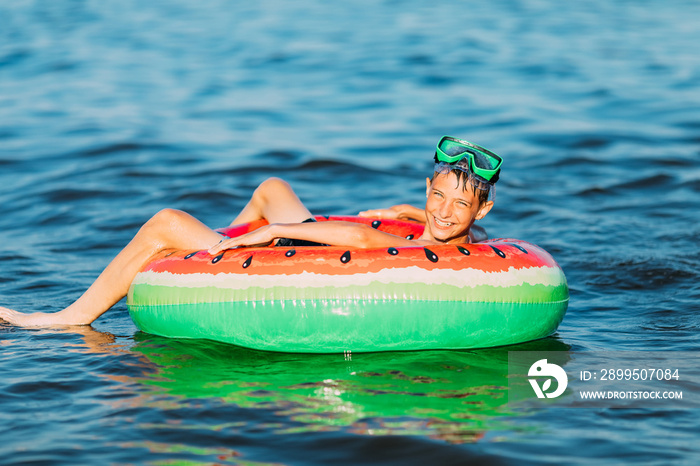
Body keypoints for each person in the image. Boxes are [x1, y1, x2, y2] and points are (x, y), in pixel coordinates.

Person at [0, 136, 502, 327]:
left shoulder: (405, 247)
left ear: (483, 208)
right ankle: (217, 247)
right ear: (426, 189)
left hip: (286, 255)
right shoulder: (465, 234)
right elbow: (430, 219)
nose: (444, 211)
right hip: (304, 239)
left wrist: (265, 236)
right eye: (437, 196)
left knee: (165, 222)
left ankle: (69, 316)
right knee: (273, 185)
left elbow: (367, 240)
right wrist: (406, 209)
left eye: (461, 204)